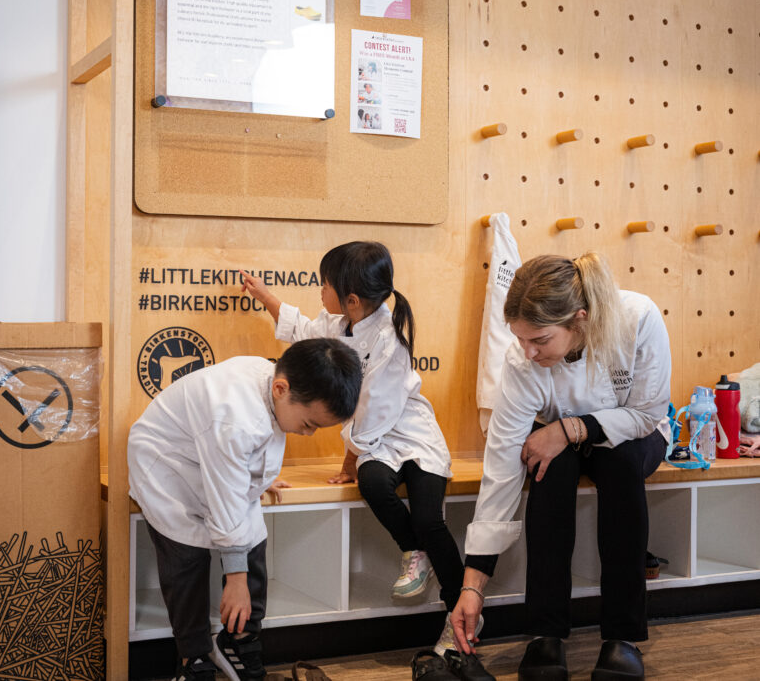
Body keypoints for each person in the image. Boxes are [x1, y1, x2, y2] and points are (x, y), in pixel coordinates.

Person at [241, 243, 491, 675]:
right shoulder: (339, 322)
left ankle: (459, 619)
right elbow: (305, 332)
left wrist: (347, 461)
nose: (320, 291)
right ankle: (413, 550)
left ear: (352, 298)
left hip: (413, 437)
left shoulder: (389, 341)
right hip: (376, 445)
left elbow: (374, 410)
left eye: (325, 285)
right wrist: (266, 298)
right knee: (375, 486)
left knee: (431, 519)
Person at [451, 252, 671, 681]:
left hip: (635, 432)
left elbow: (646, 414)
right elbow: (501, 463)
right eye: (520, 340)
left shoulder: (638, 317)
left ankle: (622, 638)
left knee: (621, 464)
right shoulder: (522, 360)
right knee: (547, 471)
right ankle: (545, 635)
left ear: (581, 320)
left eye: (540, 340)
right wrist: (473, 584)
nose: (528, 352)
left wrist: (571, 427)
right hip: (555, 439)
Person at [127, 339, 362, 681]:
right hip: (169, 466)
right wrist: (234, 578)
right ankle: (192, 658)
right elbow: (227, 473)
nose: (309, 434)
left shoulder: (273, 384)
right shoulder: (232, 414)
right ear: (282, 388)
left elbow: (238, 455)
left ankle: (238, 640)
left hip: (213, 458)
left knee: (252, 544)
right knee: (186, 558)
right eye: (309, 424)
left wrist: (260, 476)